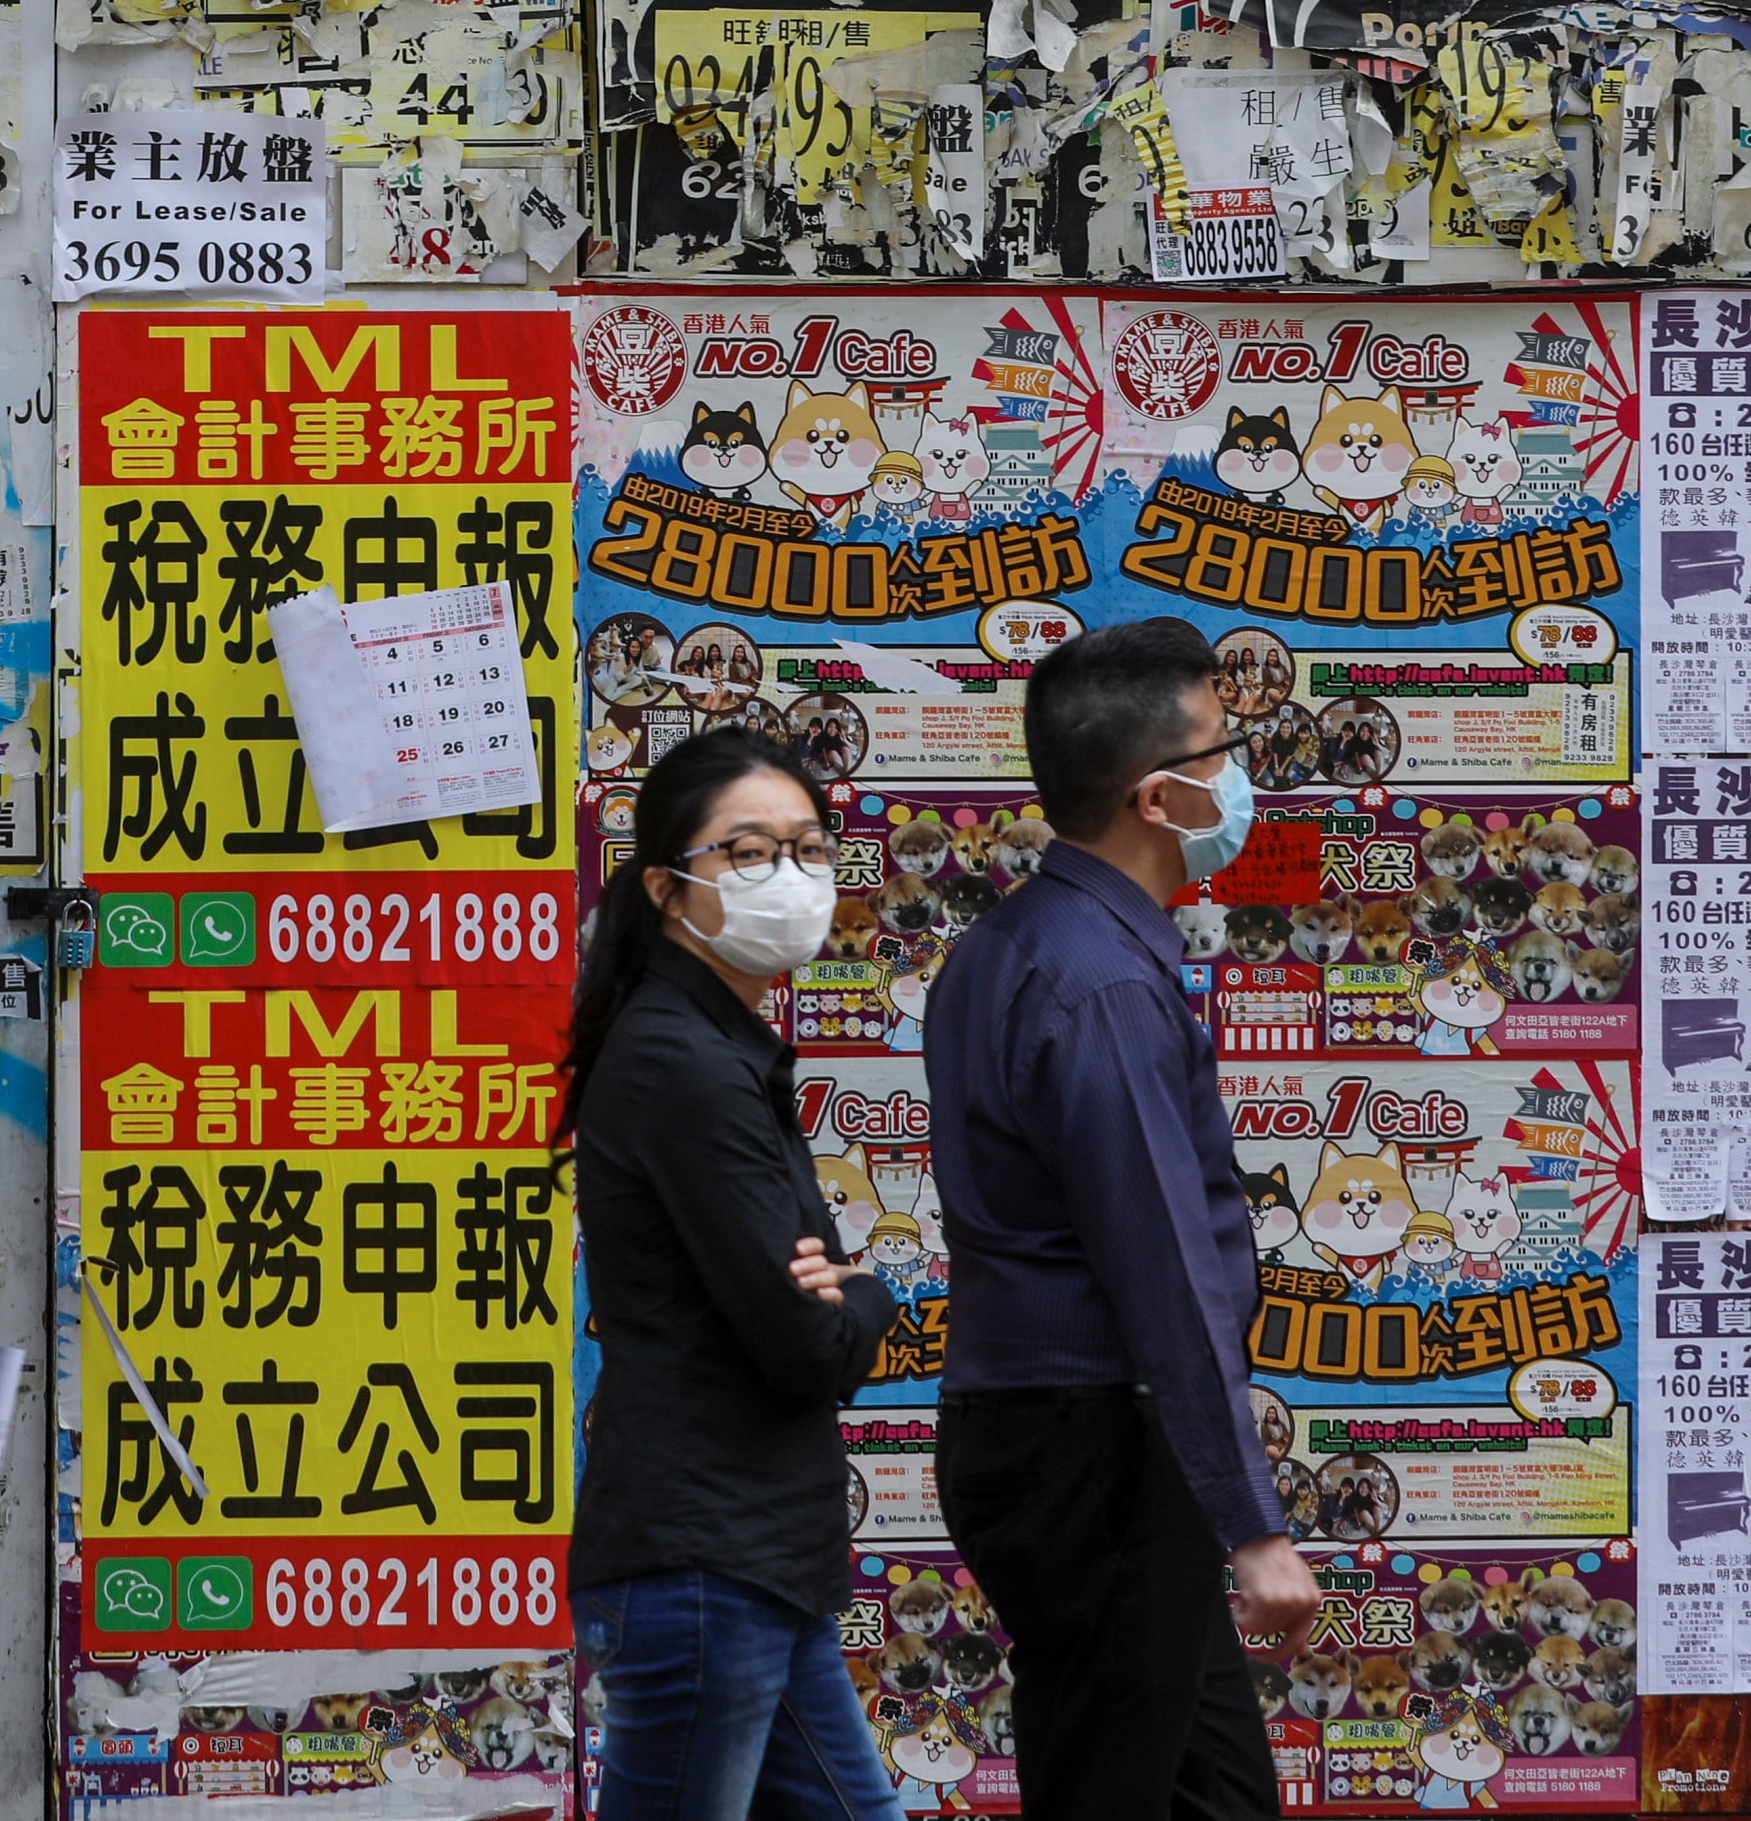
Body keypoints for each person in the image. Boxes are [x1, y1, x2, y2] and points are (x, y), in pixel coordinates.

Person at [921, 617, 1322, 1821]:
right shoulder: (1094, 983)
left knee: (1216, 1795)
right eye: (1223, 750)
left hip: (1068, 1444)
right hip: (1090, 1451)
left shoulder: (1019, 946)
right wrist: (1255, 1526)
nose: (1242, 774)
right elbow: (1163, 1268)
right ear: (1161, 795)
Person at [566, 728, 901, 1821]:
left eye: (808, 847)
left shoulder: (721, 1045)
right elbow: (805, 1339)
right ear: (669, 887)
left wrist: (837, 1286)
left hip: (760, 1562)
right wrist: (867, 1291)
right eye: (749, 852)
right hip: (703, 1563)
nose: (791, 878)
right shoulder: (682, 1061)